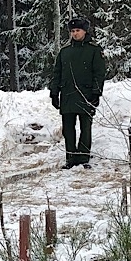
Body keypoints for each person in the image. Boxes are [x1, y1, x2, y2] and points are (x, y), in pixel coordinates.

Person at [48, 16, 106, 169]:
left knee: (85, 127)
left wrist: (96, 93)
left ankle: (83, 158)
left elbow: (99, 73)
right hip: (67, 95)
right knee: (68, 128)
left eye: (78, 30)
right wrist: (54, 92)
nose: (75, 33)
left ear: (85, 31)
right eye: (72, 31)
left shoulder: (94, 50)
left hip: (86, 95)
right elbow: (57, 73)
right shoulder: (65, 51)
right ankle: (70, 157)